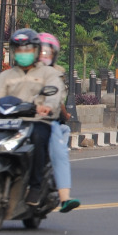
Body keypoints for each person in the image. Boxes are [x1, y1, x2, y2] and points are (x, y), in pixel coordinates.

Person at [0, 28, 76, 211]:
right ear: (13, 52)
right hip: (7, 120)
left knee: (39, 138)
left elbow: (54, 93)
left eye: (27, 50)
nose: (23, 54)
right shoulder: (6, 75)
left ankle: (35, 187)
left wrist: (47, 106)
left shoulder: (48, 74)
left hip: (37, 121)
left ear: (35, 51)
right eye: (19, 50)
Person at [37, 32, 80, 211]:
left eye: (47, 52)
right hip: (20, 119)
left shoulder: (57, 74)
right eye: (39, 51)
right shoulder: (20, 71)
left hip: (46, 121)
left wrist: (63, 114)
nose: (42, 56)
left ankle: (64, 197)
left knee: (59, 151)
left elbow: (58, 100)